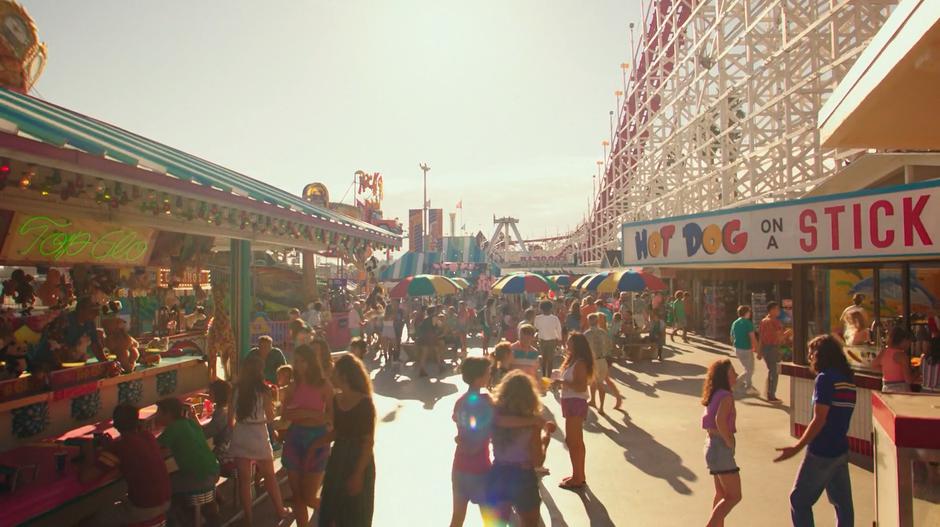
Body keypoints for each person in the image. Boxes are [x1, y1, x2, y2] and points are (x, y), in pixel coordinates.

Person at [775, 334, 856, 527]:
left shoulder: (825, 379)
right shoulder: (847, 379)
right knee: (842, 505)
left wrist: (797, 447)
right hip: (840, 449)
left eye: (812, 353)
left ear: (821, 355)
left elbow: (819, 419)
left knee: (799, 500)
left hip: (822, 450)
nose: (810, 357)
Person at [79, 404, 171, 526]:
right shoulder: (148, 437)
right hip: (166, 502)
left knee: (89, 522)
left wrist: (88, 453)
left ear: (115, 424)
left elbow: (85, 477)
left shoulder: (120, 447)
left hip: (144, 508)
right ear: (137, 421)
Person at [485, 371, 553, 527]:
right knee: (529, 522)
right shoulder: (532, 425)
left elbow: (500, 421)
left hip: (498, 472)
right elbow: (537, 461)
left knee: (496, 523)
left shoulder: (495, 415)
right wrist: (545, 441)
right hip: (523, 476)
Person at [317, 354, 377, 526]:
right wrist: (316, 444)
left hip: (357, 459)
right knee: (332, 509)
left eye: (335, 371)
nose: (331, 375)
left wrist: (358, 473)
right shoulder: (337, 400)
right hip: (338, 458)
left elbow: (368, 442)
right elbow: (338, 431)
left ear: (344, 376)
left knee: (356, 513)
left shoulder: (365, 403)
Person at [228, 356, 289, 525]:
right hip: (259, 434)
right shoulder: (264, 390)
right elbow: (270, 417)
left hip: (241, 433)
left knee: (244, 482)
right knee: (269, 477)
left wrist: (240, 426)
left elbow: (229, 421)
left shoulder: (235, 390)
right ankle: (280, 510)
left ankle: (248, 517)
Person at [282, 344, 333, 526]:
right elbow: (285, 415)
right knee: (297, 497)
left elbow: (331, 416)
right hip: (295, 438)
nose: (298, 365)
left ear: (311, 362)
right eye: (296, 361)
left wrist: (307, 413)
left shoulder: (324, 385)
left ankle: (334, 520)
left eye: (302, 361)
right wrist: (307, 414)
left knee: (309, 496)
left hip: (317, 440)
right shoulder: (292, 387)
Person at [154, 397, 221, 522]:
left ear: (167, 413)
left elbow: (151, 447)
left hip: (199, 478)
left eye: (159, 412)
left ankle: (175, 520)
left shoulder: (173, 428)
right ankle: (197, 514)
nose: (156, 416)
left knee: (163, 486)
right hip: (213, 471)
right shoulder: (189, 423)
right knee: (174, 478)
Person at [701, 359, 741, 527]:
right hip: (720, 448)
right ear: (725, 377)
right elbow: (720, 420)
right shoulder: (726, 396)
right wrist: (729, 441)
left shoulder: (714, 394)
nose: (737, 375)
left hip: (710, 447)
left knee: (721, 493)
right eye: (733, 373)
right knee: (734, 496)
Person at [557, 332, 593, 490]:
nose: (567, 344)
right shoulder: (572, 361)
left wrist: (562, 382)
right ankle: (578, 474)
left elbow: (581, 386)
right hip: (570, 401)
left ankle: (577, 477)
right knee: (574, 441)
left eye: (570, 342)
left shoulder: (579, 363)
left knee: (574, 441)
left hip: (575, 402)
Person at [584, 313, 623, 414]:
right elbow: (610, 346)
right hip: (603, 360)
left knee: (599, 384)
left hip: (593, 362)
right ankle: (594, 401)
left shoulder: (587, 334)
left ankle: (601, 407)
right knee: (597, 382)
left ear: (588, 321)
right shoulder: (603, 332)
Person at [872, 326, 916, 392]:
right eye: (908, 342)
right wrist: (919, 372)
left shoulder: (884, 352)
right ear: (903, 340)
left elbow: (873, 365)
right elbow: (909, 380)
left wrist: (887, 370)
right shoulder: (902, 356)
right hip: (900, 389)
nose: (909, 345)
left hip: (886, 387)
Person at [202, 379, 233, 472]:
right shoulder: (227, 408)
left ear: (217, 395)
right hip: (231, 449)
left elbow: (205, 433)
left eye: (210, 392)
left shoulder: (221, 412)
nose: (208, 394)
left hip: (225, 453)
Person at [758, 302, 786, 402]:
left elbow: (761, 337)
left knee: (771, 370)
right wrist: (787, 334)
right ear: (772, 310)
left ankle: (769, 393)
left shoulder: (763, 321)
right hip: (773, 348)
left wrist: (759, 351)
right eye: (777, 309)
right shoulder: (775, 322)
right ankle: (771, 395)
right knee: (774, 372)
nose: (779, 311)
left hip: (766, 348)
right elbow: (780, 337)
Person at [730, 306, 760, 395]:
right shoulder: (748, 323)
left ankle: (748, 386)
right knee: (749, 369)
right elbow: (752, 337)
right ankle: (738, 385)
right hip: (746, 349)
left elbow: (731, 336)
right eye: (749, 312)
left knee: (748, 368)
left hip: (737, 348)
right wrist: (757, 349)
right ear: (746, 313)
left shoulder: (735, 323)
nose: (750, 314)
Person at [533, 300, 563, 379]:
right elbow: (558, 330)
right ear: (551, 308)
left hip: (542, 341)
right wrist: (559, 339)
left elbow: (536, 328)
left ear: (541, 309)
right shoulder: (555, 318)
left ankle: (544, 375)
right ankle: (548, 376)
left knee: (543, 359)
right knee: (550, 360)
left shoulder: (537, 318)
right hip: (552, 341)